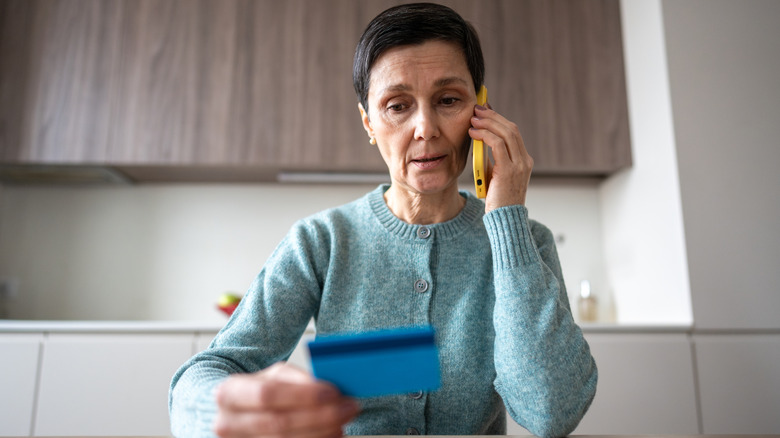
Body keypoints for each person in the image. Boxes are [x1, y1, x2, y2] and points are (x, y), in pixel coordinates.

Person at [169, 3, 597, 437]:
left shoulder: (525, 243)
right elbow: (205, 375)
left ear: (479, 109)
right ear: (368, 121)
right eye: (397, 106)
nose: (425, 128)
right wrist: (224, 407)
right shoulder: (321, 243)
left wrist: (507, 218)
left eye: (449, 100)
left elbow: (552, 413)